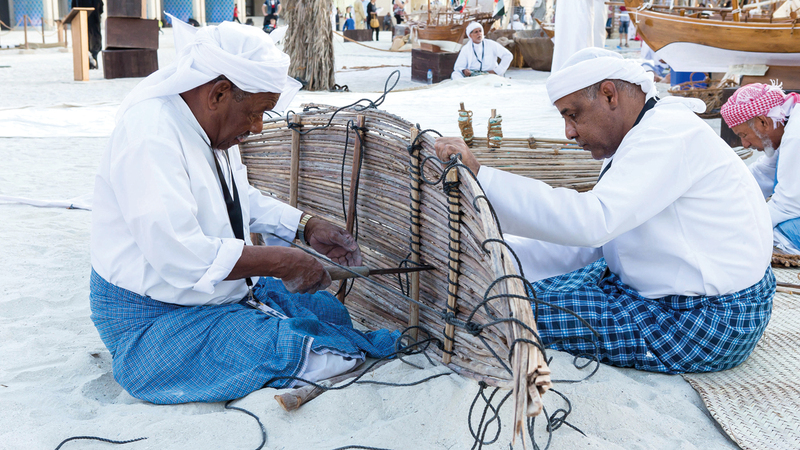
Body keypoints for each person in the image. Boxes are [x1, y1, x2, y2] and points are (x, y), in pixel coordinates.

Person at [90, 19, 399, 405]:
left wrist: (305, 226)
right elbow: (180, 255)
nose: (256, 127)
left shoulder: (210, 126)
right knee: (323, 358)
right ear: (219, 93)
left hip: (211, 295)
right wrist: (281, 263)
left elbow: (236, 198)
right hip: (152, 321)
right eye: (256, 113)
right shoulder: (150, 135)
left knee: (326, 312)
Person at [435, 47, 774, 374]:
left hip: (708, 317)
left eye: (572, 114)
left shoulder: (669, 134)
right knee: (511, 294)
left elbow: (593, 223)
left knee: (499, 314)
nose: (568, 132)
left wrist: (482, 179)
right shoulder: (644, 133)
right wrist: (501, 262)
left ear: (610, 95)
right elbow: (594, 243)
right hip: (682, 296)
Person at [721, 83, 800, 256]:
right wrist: (721, 195)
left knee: (776, 237)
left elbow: (789, 205)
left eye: (744, 135)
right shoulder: (788, 121)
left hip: (794, 207)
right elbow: (762, 173)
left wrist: (737, 227)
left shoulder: (796, 135)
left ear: (763, 121)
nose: (745, 144)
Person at [72, 0, 103, 69]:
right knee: (88, 42)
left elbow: (100, 7)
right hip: (84, 21)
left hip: (93, 22)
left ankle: (93, 62)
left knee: (93, 43)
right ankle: (89, 63)